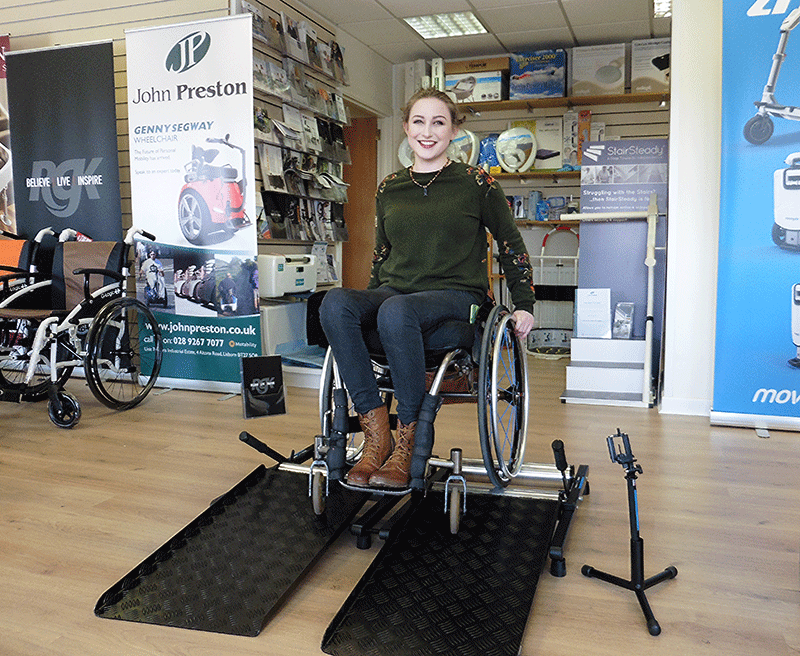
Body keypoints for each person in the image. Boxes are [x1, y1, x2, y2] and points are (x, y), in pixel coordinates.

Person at [319, 87, 536, 489]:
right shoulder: (390, 188)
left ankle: (408, 442)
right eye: (419, 121)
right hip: (396, 292)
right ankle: (376, 435)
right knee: (336, 304)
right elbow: (383, 255)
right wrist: (363, 303)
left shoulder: (476, 183)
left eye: (439, 122)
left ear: (454, 130)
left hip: (457, 296)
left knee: (395, 312)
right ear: (406, 128)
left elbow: (510, 245)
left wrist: (524, 304)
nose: (428, 131)